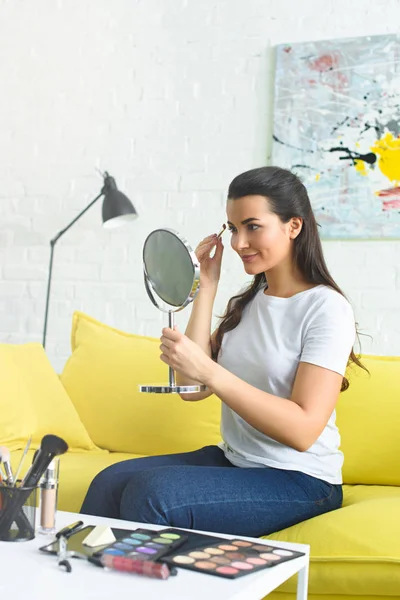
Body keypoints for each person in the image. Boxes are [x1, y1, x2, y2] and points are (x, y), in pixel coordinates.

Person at [80, 166, 365, 537]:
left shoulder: (325, 308)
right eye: (232, 228)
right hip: (237, 461)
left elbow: (303, 430)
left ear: (293, 226)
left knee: (153, 495)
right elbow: (191, 387)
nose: (238, 242)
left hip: (302, 480)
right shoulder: (248, 304)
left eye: (252, 226)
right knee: (109, 481)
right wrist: (207, 286)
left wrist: (211, 371)